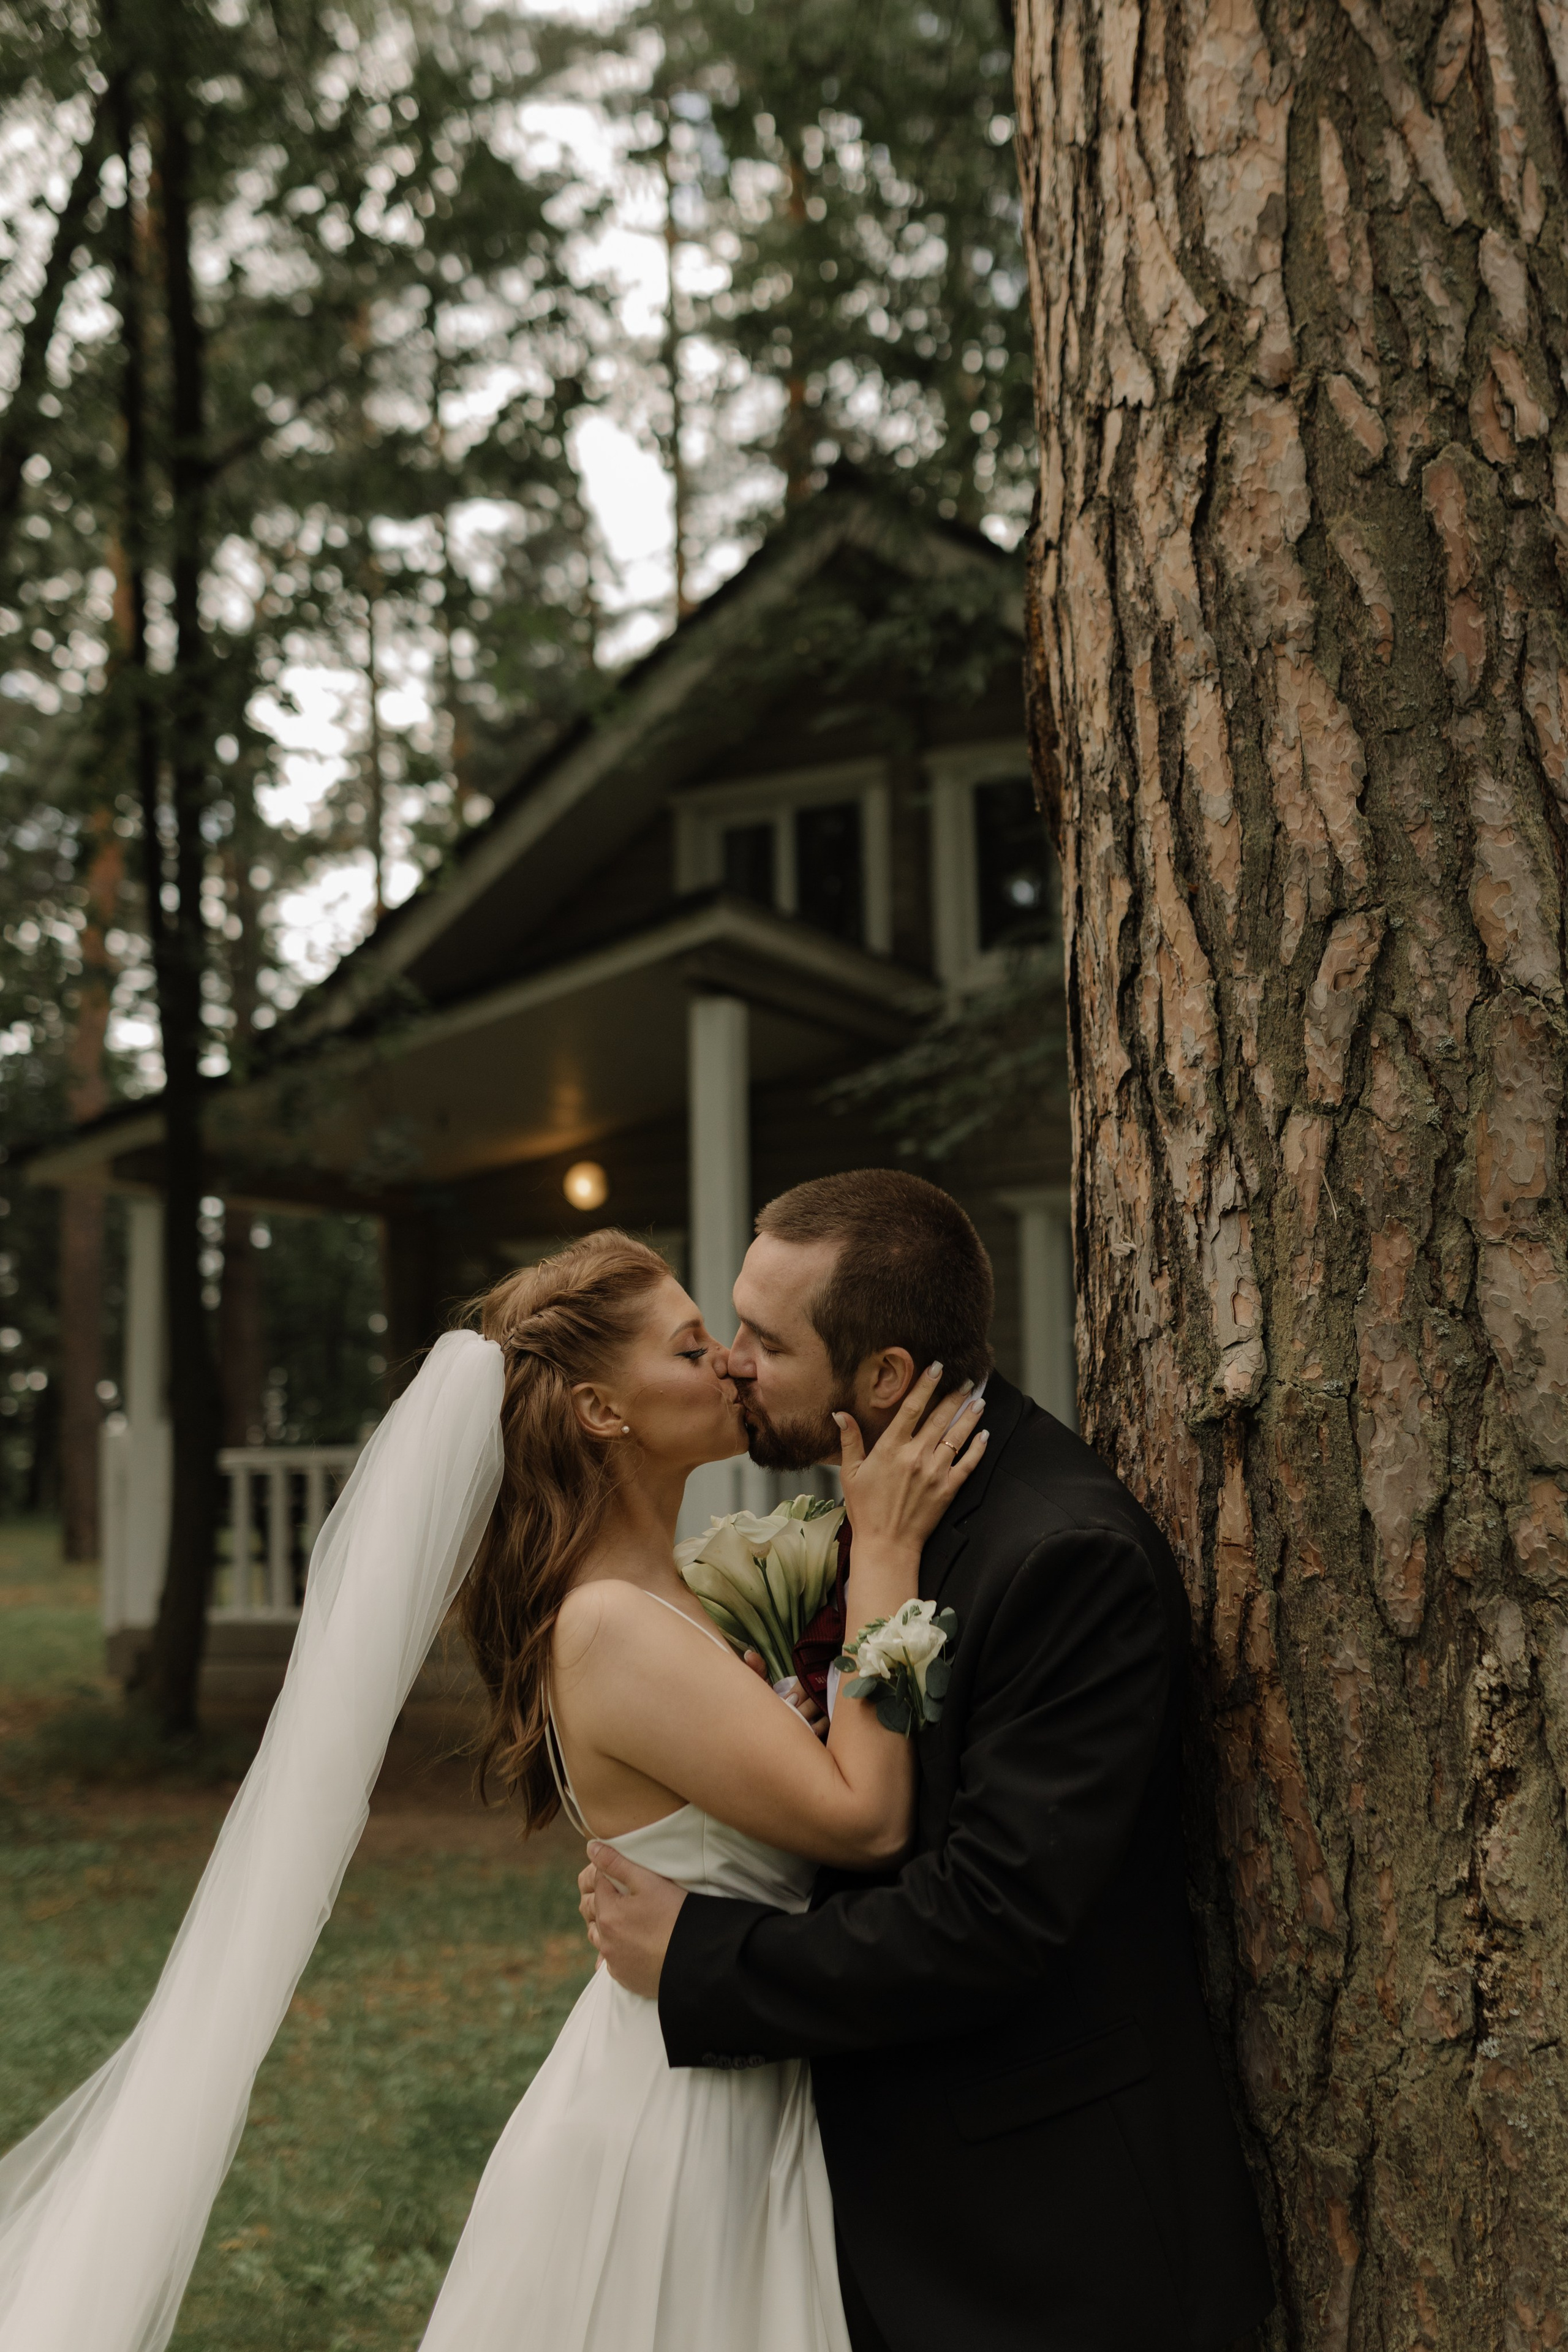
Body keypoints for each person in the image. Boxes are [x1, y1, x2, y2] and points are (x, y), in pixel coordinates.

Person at [0, 1226, 984, 2352]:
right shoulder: (613, 1624)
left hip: (729, 2058)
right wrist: (888, 1556)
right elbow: (864, 1819)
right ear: (601, 1413)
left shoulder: (676, 1591)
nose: (728, 1363)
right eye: (689, 1347)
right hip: (686, 2119)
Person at [581, 1169, 1277, 2352]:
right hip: (878, 2205)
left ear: (886, 1378)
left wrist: (705, 1956)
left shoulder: (1063, 1558)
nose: (733, 1360)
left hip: (1042, 2244)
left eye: (763, 1339)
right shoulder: (883, 1508)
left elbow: (991, 1916)